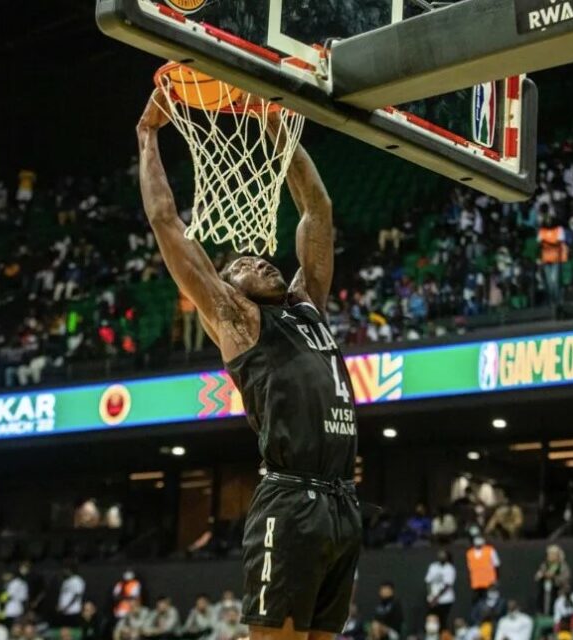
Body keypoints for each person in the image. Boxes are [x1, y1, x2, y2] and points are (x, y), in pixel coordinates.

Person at [137, 90, 361, 640]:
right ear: (229, 290)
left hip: (341, 502)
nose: (258, 259)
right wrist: (147, 137)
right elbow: (167, 222)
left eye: (259, 255)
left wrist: (277, 133)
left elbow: (317, 210)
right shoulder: (236, 321)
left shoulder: (307, 304)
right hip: (291, 499)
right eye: (240, 265)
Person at [535, 546, 572, 617]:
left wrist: (553, 577)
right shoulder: (545, 565)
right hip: (545, 593)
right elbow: (537, 576)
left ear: (557, 555)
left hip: (558, 593)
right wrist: (542, 575)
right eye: (548, 554)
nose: (549, 556)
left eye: (551, 554)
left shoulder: (563, 566)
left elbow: (565, 579)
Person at [426, 550, 457, 630]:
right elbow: (428, 582)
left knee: (444, 622)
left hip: (445, 600)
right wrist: (431, 596)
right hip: (432, 599)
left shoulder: (450, 568)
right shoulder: (433, 566)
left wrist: (436, 598)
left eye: (443, 555)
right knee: (432, 621)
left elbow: (447, 585)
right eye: (440, 554)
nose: (441, 556)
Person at [466, 535, 500, 602]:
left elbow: (496, 565)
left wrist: (497, 579)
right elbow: (470, 568)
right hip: (476, 583)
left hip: (489, 583)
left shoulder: (490, 550)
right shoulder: (469, 553)